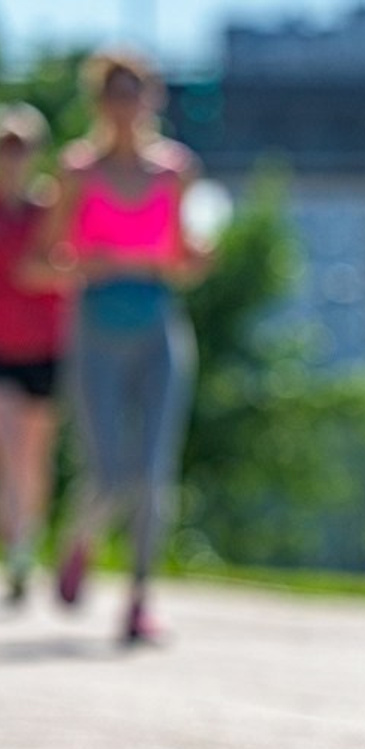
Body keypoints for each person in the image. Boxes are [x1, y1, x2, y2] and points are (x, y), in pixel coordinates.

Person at [38, 49, 212, 643]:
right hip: (94, 328)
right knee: (109, 471)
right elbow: (44, 260)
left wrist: (197, 259)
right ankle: (79, 540)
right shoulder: (76, 172)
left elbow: (185, 262)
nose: (125, 104)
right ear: (99, 103)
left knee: (154, 471)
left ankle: (138, 599)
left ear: (150, 100)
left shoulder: (175, 172)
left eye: (134, 91)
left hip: (159, 325)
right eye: (114, 92)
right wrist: (90, 262)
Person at [0, 103, 66, 604]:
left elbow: (74, 267)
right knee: (7, 441)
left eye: (20, 147)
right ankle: (15, 532)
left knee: (34, 457)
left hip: (46, 346)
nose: (12, 157)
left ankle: (25, 544)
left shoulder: (50, 210)